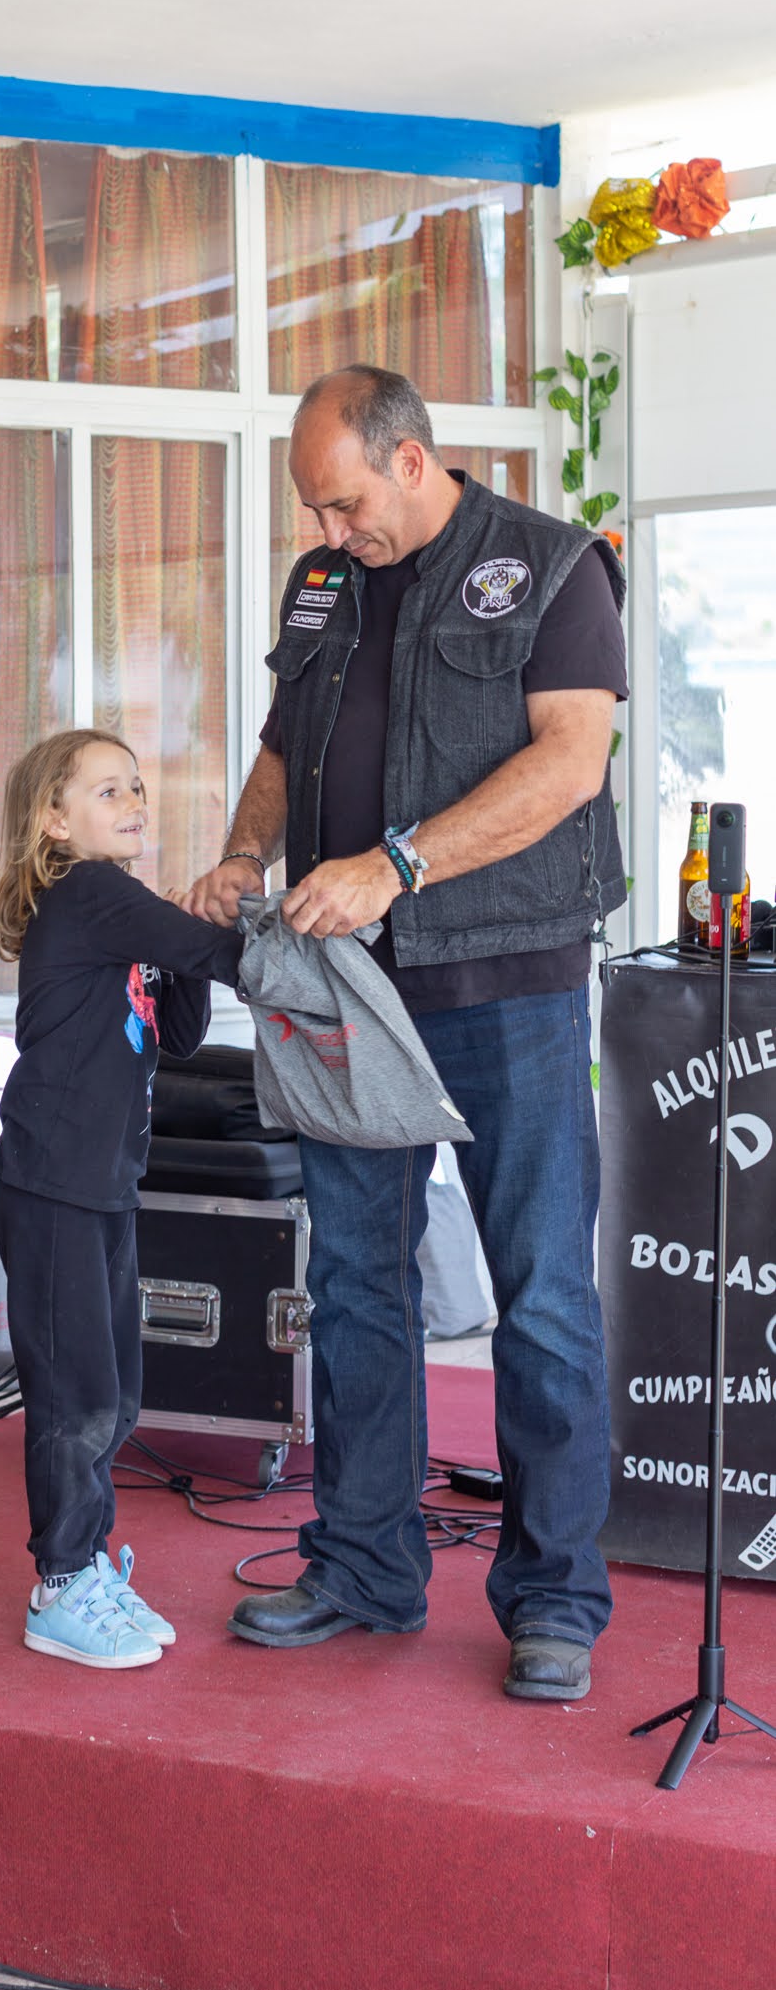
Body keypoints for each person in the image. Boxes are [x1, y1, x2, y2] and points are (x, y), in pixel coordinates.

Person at [184, 365, 629, 1703]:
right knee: (355, 1286)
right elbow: (285, 742)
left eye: (345, 503)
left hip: (509, 985)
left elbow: (570, 762)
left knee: (540, 1295)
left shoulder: (553, 568)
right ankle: (366, 1565)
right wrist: (245, 852)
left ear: (414, 460)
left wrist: (398, 864)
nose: (328, 531)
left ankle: (554, 1599)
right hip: (345, 990)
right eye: (313, 509)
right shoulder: (323, 582)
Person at [0, 730, 245, 1668]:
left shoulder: (120, 909)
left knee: (116, 1394)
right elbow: (223, 953)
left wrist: (180, 940)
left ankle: (89, 1563)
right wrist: (226, 920)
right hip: (52, 1181)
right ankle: (60, 1585)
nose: (134, 802)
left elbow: (179, 1030)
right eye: (106, 792)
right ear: (53, 823)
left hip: (101, 1183)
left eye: (135, 786)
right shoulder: (89, 892)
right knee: (77, 1395)